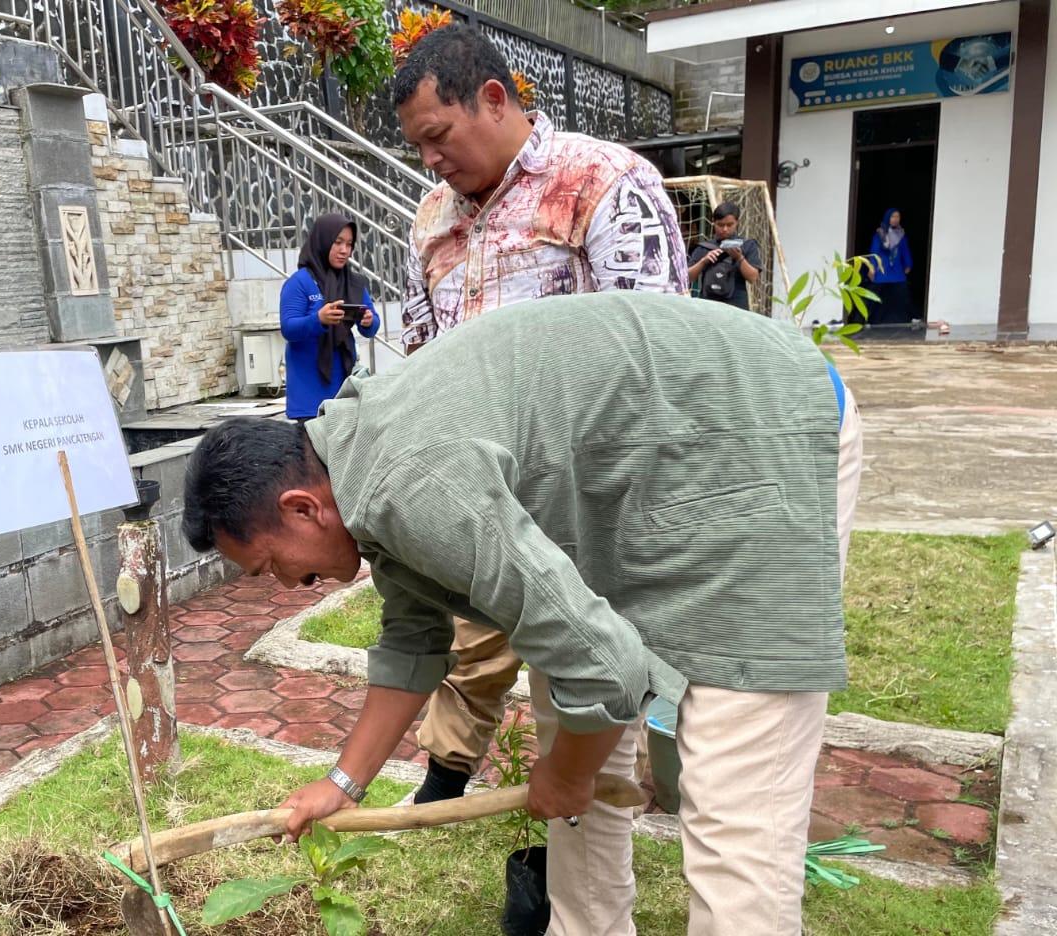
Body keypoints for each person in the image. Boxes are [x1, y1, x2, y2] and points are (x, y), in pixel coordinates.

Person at [182, 292, 864, 936]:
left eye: (269, 563)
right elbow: (413, 638)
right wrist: (343, 784)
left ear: (303, 507)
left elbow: (605, 674)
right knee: (568, 725)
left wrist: (569, 772)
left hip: (753, 431)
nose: (285, 584)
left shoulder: (410, 484)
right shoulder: (355, 464)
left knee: (731, 802)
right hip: (644, 472)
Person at [390, 23, 689, 808]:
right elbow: (423, 360)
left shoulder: (602, 182)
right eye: (418, 146)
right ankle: (447, 781)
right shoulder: (430, 222)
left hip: (587, 502)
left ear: (494, 99)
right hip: (486, 496)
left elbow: (653, 355)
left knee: (589, 680)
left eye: (437, 136)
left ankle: (610, 804)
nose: (430, 159)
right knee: (474, 643)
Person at [279, 214, 381, 420]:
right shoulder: (300, 283)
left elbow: (371, 324)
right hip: (309, 391)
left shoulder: (353, 282)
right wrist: (318, 319)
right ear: (323, 241)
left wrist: (369, 321)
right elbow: (288, 328)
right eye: (338, 242)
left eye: (349, 244)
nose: (344, 250)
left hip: (343, 387)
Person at [687, 201, 762, 311]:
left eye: (729, 225)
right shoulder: (704, 247)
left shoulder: (747, 245)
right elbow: (687, 277)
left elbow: (753, 278)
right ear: (714, 223)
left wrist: (739, 258)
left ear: (737, 222)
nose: (725, 229)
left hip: (736, 309)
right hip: (708, 308)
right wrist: (704, 261)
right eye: (720, 225)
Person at [868, 208, 915, 326]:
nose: (895, 219)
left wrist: (908, 264)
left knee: (902, 294)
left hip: (897, 269)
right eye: (892, 216)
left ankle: (907, 319)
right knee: (876, 296)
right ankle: (870, 320)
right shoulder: (879, 234)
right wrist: (871, 267)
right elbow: (874, 252)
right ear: (887, 218)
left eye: (897, 217)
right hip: (882, 269)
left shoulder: (901, 234)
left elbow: (905, 250)